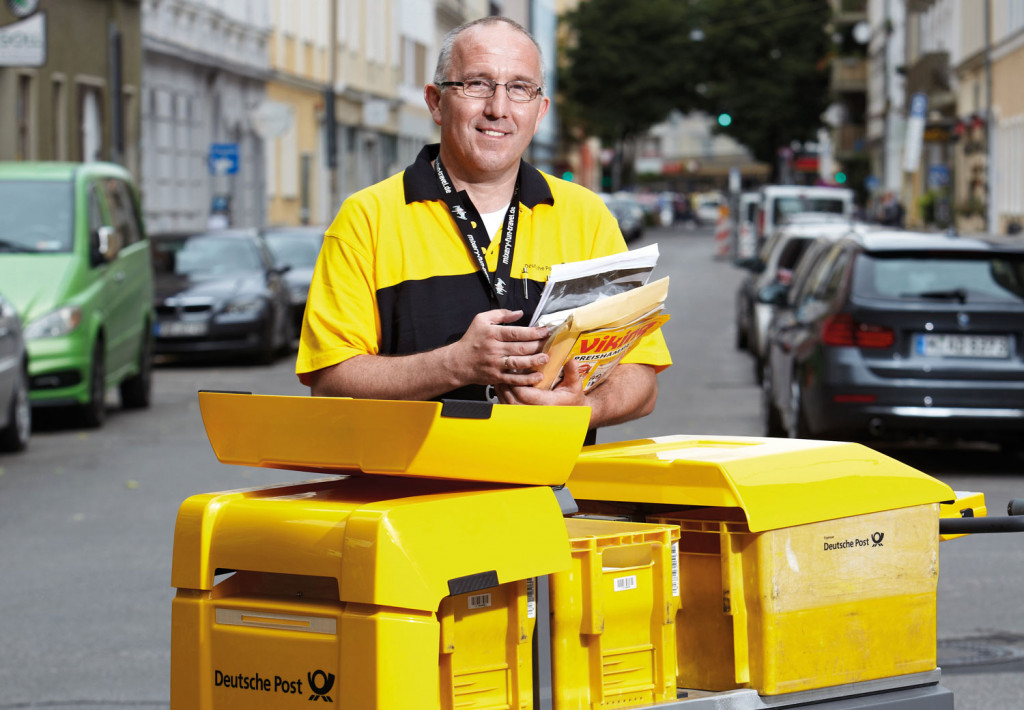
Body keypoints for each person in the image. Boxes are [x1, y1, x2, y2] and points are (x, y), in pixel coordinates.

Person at [296, 17, 671, 437]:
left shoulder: (587, 216)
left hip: (548, 481)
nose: (498, 108)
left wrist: (585, 407)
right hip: (410, 481)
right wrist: (454, 365)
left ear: (540, 111)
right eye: (477, 84)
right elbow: (329, 380)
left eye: (520, 88)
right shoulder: (367, 218)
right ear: (436, 102)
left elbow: (641, 377)